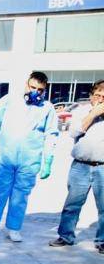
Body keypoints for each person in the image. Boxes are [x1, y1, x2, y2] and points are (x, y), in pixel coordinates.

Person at [0, 72, 59, 242]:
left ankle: (14, 228)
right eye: (32, 87)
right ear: (26, 85)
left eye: (40, 89)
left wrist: (48, 161)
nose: (36, 92)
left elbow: (51, 134)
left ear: (45, 90)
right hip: (6, 157)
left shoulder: (47, 108)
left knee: (20, 195)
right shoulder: (9, 100)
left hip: (30, 160)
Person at [49, 79, 104, 254]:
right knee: (72, 204)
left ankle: (102, 241)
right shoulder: (82, 111)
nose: (101, 99)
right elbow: (73, 132)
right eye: (97, 95)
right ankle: (65, 236)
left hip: (102, 167)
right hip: (80, 166)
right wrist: (93, 114)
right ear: (91, 96)